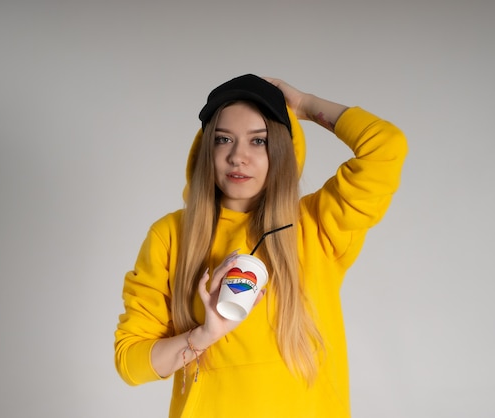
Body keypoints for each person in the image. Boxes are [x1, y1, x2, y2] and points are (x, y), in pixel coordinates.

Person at [114, 73, 408, 417]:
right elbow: (130, 362)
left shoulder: (315, 225)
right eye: (224, 139)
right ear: (206, 148)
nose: (238, 156)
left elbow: (386, 146)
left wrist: (304, 105)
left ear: (281, 149)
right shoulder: (171, 235)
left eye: (258, 141)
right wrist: (205, 335)